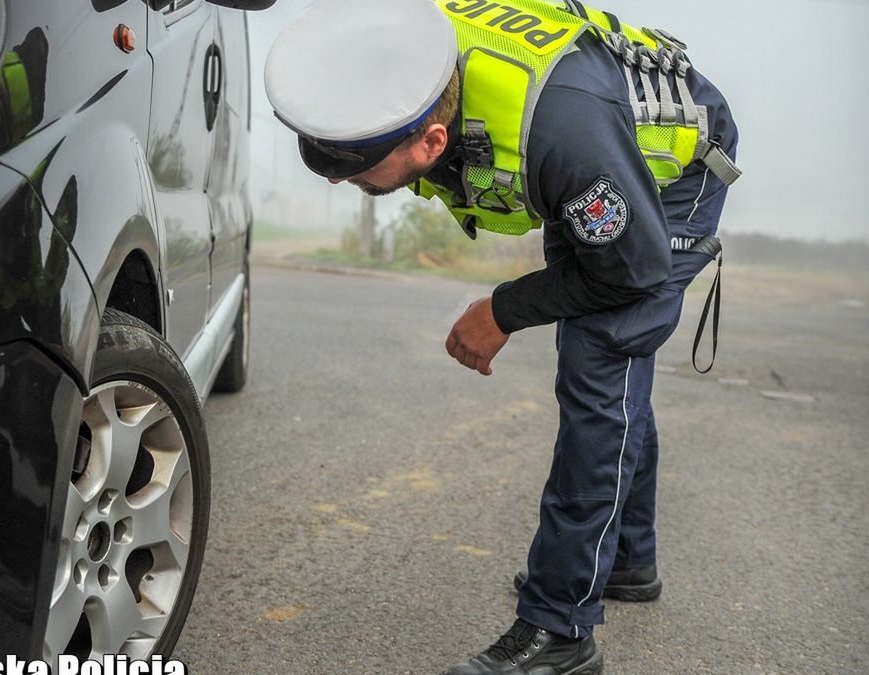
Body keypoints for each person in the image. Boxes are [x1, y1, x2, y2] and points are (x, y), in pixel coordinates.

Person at [265, 1, 739, 672]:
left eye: (353, 167)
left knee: (599, 357)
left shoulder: (560, 136)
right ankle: (628, 557)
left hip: (677, 169)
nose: (339, 179)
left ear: (431, 142)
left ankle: (560, 629)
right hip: (602, 136)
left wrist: (504, 307)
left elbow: (632, 271)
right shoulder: (413, 46)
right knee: (607, 356)